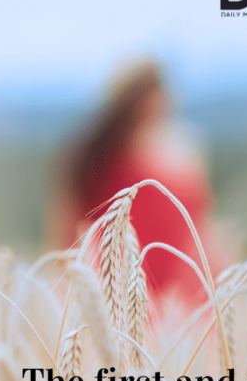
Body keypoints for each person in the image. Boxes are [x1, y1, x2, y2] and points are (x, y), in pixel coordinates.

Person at [50, 60, 224, 309]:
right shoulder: (183, 161)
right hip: (159, 306)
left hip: (125, 305)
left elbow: (65, 246)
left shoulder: (86, 161)